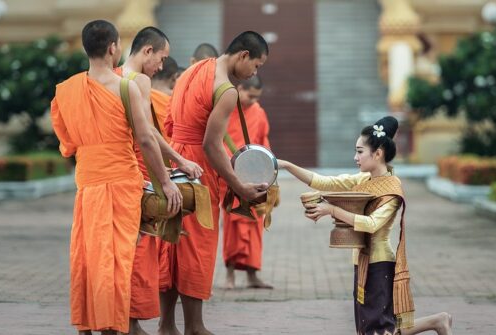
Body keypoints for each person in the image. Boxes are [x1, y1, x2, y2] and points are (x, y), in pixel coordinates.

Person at [50, 20, 182, 335]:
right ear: (113, 48)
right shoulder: (127, 87)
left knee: (88, 254)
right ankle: (111, 325)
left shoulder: (65, 91)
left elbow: (67, 145)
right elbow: (147, 139)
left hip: (88, 183)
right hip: (123, 182)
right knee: (118, 257)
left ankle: (87, 324)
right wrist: (165, 182)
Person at [279, 116, 453, 335]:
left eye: (360, 151)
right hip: (362, 260)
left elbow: (371, 224)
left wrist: (331, 210)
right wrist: (285, 165)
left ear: (378, 153)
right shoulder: (364, 180)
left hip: (380, 263)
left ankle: (437, 321)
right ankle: (437, 321)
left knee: (377, 327)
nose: (355, 157)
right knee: (372, 327)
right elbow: (323, 181)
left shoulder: (392, 188)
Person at [159, 31, 269, 335]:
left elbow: (171, 121)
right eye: (257, 66)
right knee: (196, 245)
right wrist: (239, 185)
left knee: (173, 241)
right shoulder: (226, 89)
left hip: (175, 159)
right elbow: (210, 144)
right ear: (243, 55)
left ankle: (166, 324)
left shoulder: (195, 69)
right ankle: (195, 326)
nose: (254, 74)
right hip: (197, 169)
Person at [115, 27, 203, 335]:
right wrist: (168, 177)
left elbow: (149, 132)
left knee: (125, 250)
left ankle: (123, 321)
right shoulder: (138, 81)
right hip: (134, 173)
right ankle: (130, 323)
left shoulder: (112, 79)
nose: (162, 66)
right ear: (147, 51)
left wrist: (178, 161)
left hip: (113, 175)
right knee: (137, 249)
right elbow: (148, 136)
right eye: (161, 58)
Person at [220, 75, 273, 290]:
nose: (253, 100)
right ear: (239, 88)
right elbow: (217, 140)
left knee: (256, 225)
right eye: (250, 95)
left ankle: (253, 275)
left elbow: (263, 141)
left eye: (256, 97)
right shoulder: (225, 108)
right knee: (232, 226)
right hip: (232, 174)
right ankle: (230, 275)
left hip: (255, 175)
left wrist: (268, 171)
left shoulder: (258, 112)